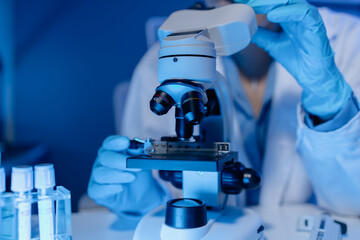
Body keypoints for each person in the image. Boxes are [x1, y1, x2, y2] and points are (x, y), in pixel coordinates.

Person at [88, 0, 360, 218]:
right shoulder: (166, 57)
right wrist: (144, 201)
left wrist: (330, 102)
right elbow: (167, 195)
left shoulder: (349, 40)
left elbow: (354, 202)